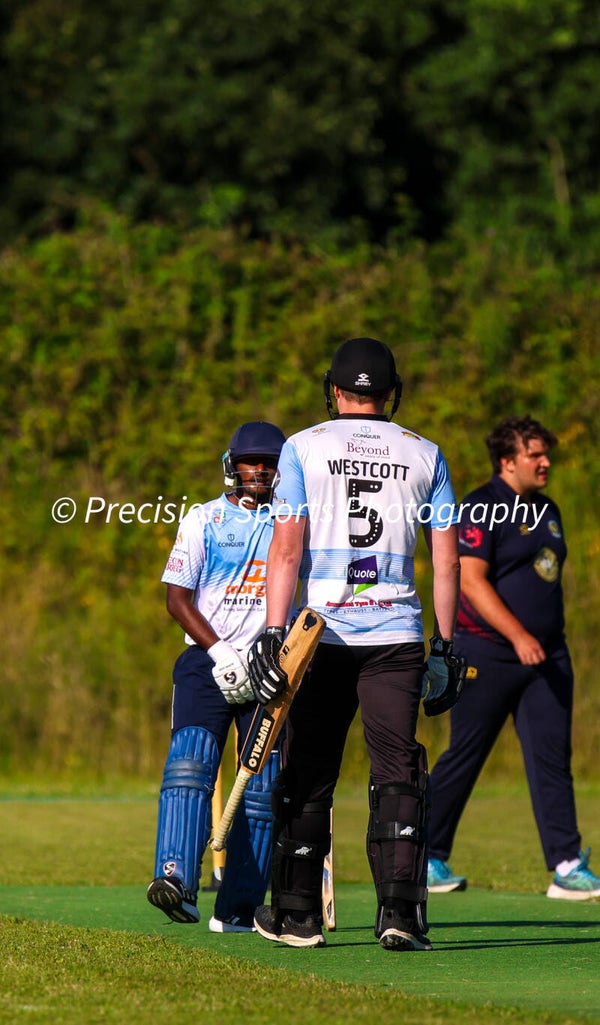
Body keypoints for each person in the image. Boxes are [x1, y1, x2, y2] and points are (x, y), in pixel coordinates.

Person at [246, 337, 464, 951]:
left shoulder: (302, 448)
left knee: (310, 771)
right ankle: (400, 914)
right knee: (398, 773)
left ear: (334, 390)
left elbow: (285, 549)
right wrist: (444, 645)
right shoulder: (426, 453)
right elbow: (446, 563)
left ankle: (297, 917)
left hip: (320, 635)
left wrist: (272, 630)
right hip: (396, 636)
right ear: (391, 394)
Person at [427, 415, 600, 900]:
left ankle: (567, 865)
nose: (545, 462)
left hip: (546, 656)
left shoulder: (548, 509)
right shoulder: (483, 508)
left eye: (547, 454)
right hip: (489, 652)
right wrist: (519, 635)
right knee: (466, 754)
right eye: (535, 455)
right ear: (507, 461)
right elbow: (472, 581)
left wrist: (540, 638)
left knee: (552, 758)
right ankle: (425, 857)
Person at [147, 420, 287, 931]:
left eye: (269, 463)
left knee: (262, 786)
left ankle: (240, 905)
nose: (260, 471)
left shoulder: (296, 523)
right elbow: (176, 599)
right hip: (208, 663)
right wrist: (220, 651)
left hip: (272, 664)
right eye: (252, 462)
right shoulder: (203, 518)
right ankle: (176, 881)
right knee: (189, 766)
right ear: (233, 466)